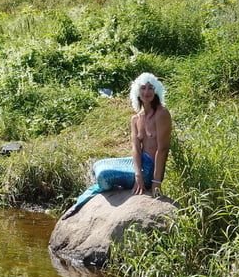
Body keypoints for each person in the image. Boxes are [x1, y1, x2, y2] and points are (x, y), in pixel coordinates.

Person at [62, 73, 172, 219]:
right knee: (98, 165)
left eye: (151, 88)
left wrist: (156, 182)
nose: (147, 92)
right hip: (139, 166)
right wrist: (137, 173)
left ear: (156, 90)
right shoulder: (136, 118)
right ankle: (82, 201)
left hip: (150, 169)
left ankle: (85, 200)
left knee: (104, 175)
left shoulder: (161, 113)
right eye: (143, 88)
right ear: (137, 92)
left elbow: (163, 149)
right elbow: (135, 149)